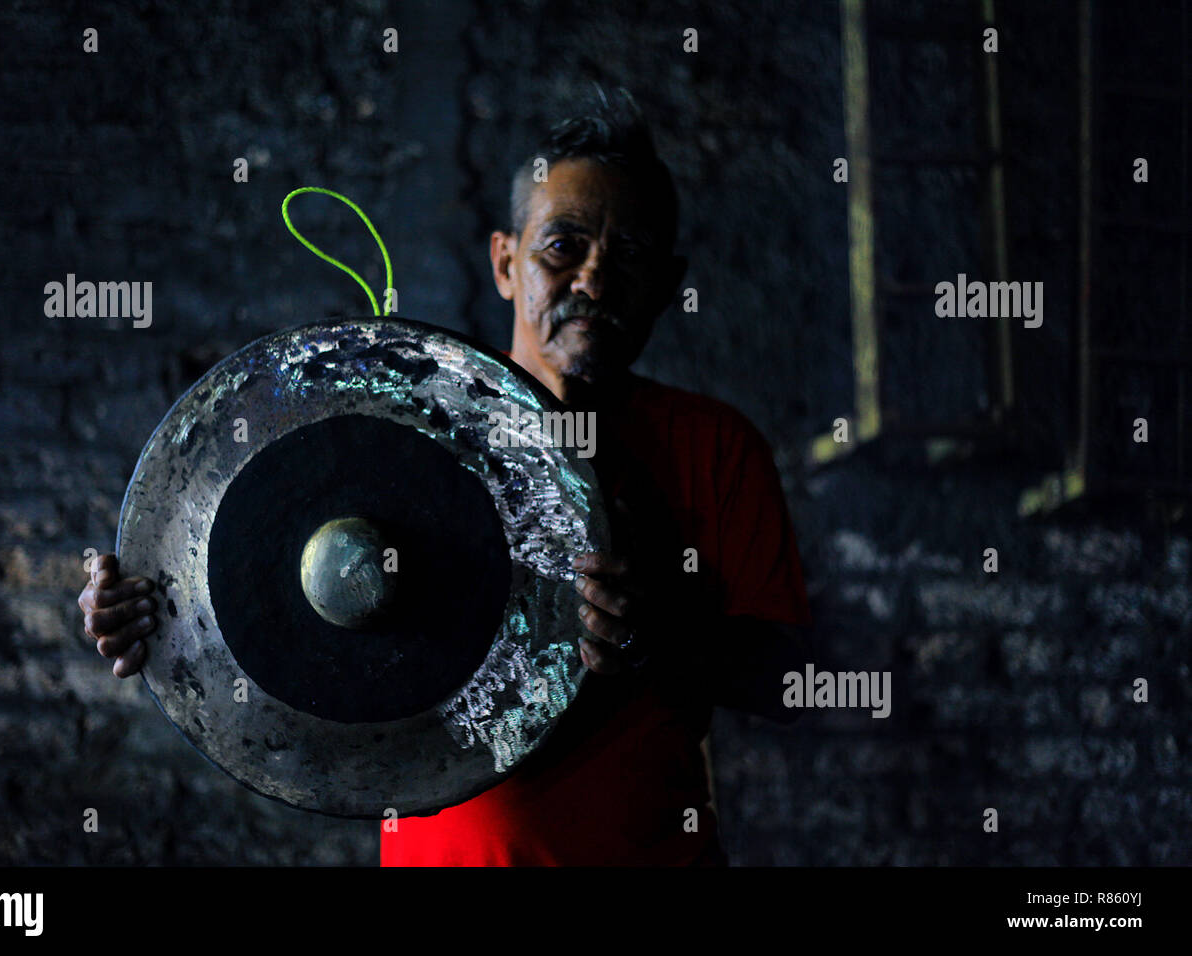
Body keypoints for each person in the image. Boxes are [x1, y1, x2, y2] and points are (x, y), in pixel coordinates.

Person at [79, 88, 812, 866]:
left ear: (668, 283)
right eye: (562, 246)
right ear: (505, 260)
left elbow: (792, 684)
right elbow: (253, 572)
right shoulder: (402, 426)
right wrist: (152, 603)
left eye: (628, 256)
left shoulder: (715, 446)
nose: (593, 281)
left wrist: (654, 632)